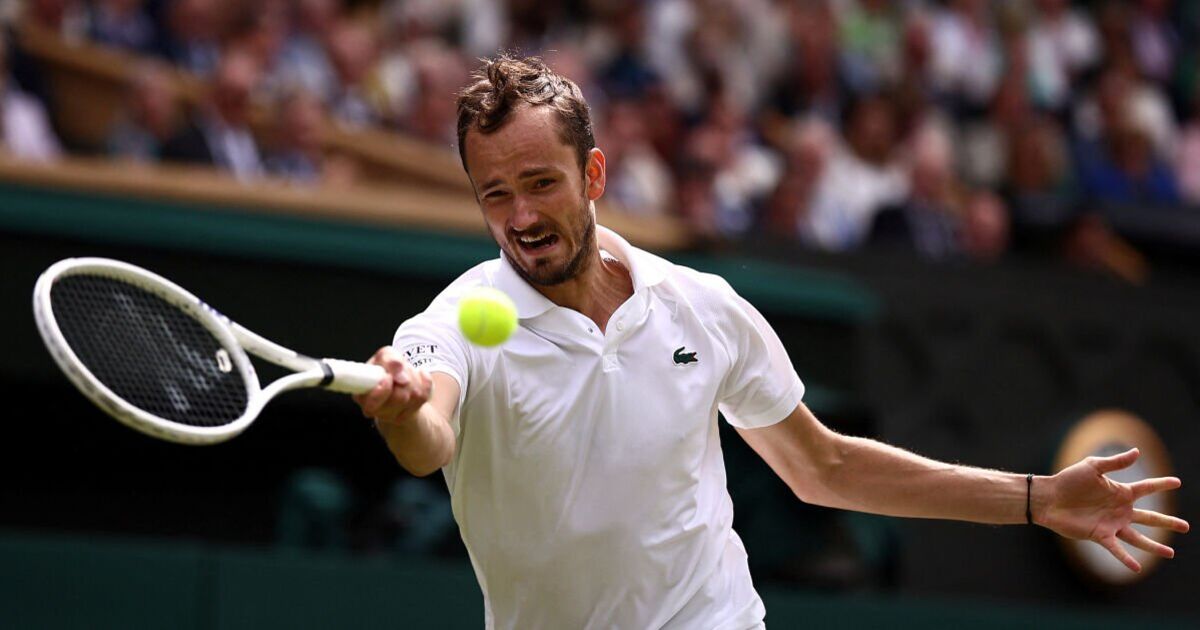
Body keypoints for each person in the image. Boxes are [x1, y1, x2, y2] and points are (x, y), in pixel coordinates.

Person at [353, 55, 1188, 629]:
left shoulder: (701, 307)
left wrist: (1037, 498)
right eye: (496, 195)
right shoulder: (456, 322)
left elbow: (824, 466)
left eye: (541, 183)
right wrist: (404, 413)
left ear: (594, 175)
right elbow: (431, 439)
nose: (522, 217)